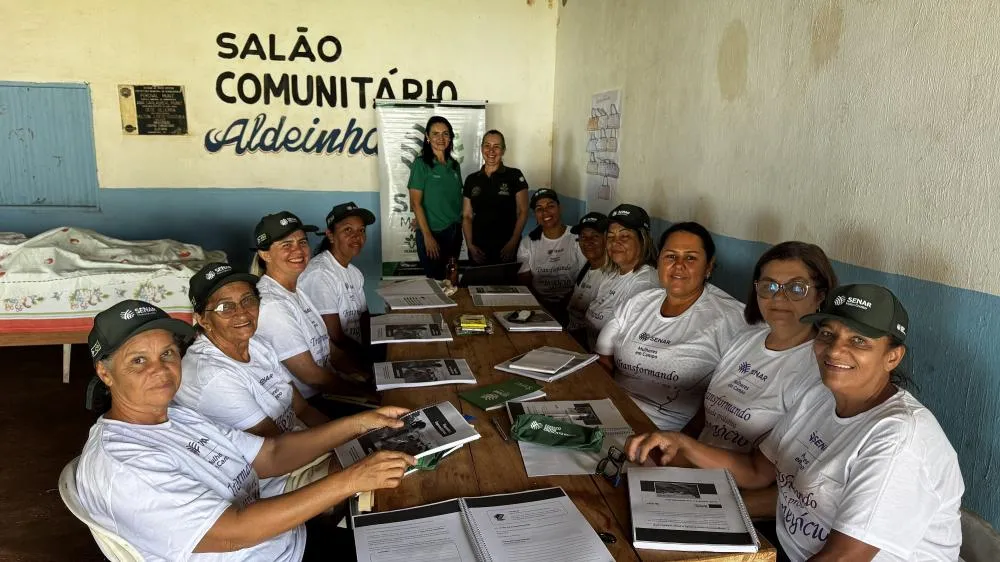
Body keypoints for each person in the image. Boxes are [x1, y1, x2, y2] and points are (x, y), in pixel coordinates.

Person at [625, 284, 964, 562]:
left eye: (858, 341)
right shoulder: (820, 395)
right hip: (780, 548)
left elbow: (843, 559)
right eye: (828, 334)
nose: (835, 351)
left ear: (892, 356)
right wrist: (683, 443)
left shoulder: (899, 438)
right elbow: (758, 470)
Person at [75, 299, 415, 561]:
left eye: (167, 353)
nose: (160, 370)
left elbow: (270, 454)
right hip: (261, 550)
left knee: (411, 541)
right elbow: (234, 530)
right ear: (105, 373)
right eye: (138, 361)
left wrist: (360, 423)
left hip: (285, 542)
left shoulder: (174, 417)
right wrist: (351, 480)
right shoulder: (123, 464)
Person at [695, 242, 837, 519]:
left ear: (820, 295)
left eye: (796, 288)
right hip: (696, 477)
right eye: (769, 286)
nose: (779, 298)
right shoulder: (746, 339)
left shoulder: (820, 371)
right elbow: (705, 419)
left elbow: (793, 490)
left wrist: (712, 510)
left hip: (741, 509)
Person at [596, 221, 745, 430]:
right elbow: (604, 359)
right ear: (659, 261)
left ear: (709, 267)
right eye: (671, 256)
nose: (678, 265)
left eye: (690, 258)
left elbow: (723, 405)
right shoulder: (638, 303)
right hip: (612, 415)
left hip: (666, 434)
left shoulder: (732, 318)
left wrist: (679, 448)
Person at [174, 262, 330, 437]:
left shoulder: (257, 344)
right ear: (202, 320)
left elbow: (302, 409)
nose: (242, 313)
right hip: (277, 457)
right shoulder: (212, 375)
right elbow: (276, 449)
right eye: (225, 307)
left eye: (248, 300)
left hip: (300, 439)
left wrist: (349, 438)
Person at [251, 211, 368, 414]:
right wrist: (366, 393)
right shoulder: (272, 304)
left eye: (302, 242)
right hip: (310, 404)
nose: (298, 250)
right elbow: (312, 377)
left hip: (330, 390)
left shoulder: (298, 291)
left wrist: (366, 375)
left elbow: (330, 349)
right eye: (286, 245)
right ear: (265, 254)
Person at [299, 201, 377, 366]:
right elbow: (334, 336)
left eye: (361, 230)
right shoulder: (320, 274)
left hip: (354, 353)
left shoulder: (354, 272)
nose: (357, 236)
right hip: (333, 365)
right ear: (331, 235)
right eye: (348, 230)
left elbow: (364, 318)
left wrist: (373, 349)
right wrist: (367, 360)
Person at [583, 203, 659, 349]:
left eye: (624, 236)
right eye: (610, 236)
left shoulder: (645, 284)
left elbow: (626, 344)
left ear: (643, 240)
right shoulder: (613, 273)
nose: (615, 242)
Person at [461, 130, 530, 265]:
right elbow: (467, 216)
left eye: (496, 146)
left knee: (506, 286)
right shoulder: (472, 179)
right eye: (487, 145)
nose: (491, 150)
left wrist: (513, 242)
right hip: (479, 248)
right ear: (481, 148)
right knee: (478, 285)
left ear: (503, 150)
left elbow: (523, 212)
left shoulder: (514, 175)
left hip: (506, 247)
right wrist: (470, 245)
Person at [408, 115, 464, 279]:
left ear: (451, 137)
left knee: (451, 280)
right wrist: (427, 236)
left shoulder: (454, 165)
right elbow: (415, 203)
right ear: (427, 137)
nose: (441, 138)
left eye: (445, 134)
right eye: (435, 134)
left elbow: (454, 198)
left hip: (454, 232)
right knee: (437, 283)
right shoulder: (421, 164)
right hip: (433, 234)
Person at [516, 189, 586, 318]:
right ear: (535, 214)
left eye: (551, 206)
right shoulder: (528, 243)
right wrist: (541, 307)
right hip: (539, 305)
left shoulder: (576, 237)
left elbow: (585, 278)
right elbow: (525, 283)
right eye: (539, 209)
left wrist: (566, 304)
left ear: (560, 208)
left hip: (573, 304)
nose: (545, 212)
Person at [565, 212, 610, 347]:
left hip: (586, 345)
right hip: (570, 333)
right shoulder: (587, 267)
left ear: (607, 239)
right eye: (583, 237)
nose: (588, 241)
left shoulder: (611, 276)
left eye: (595, 236)